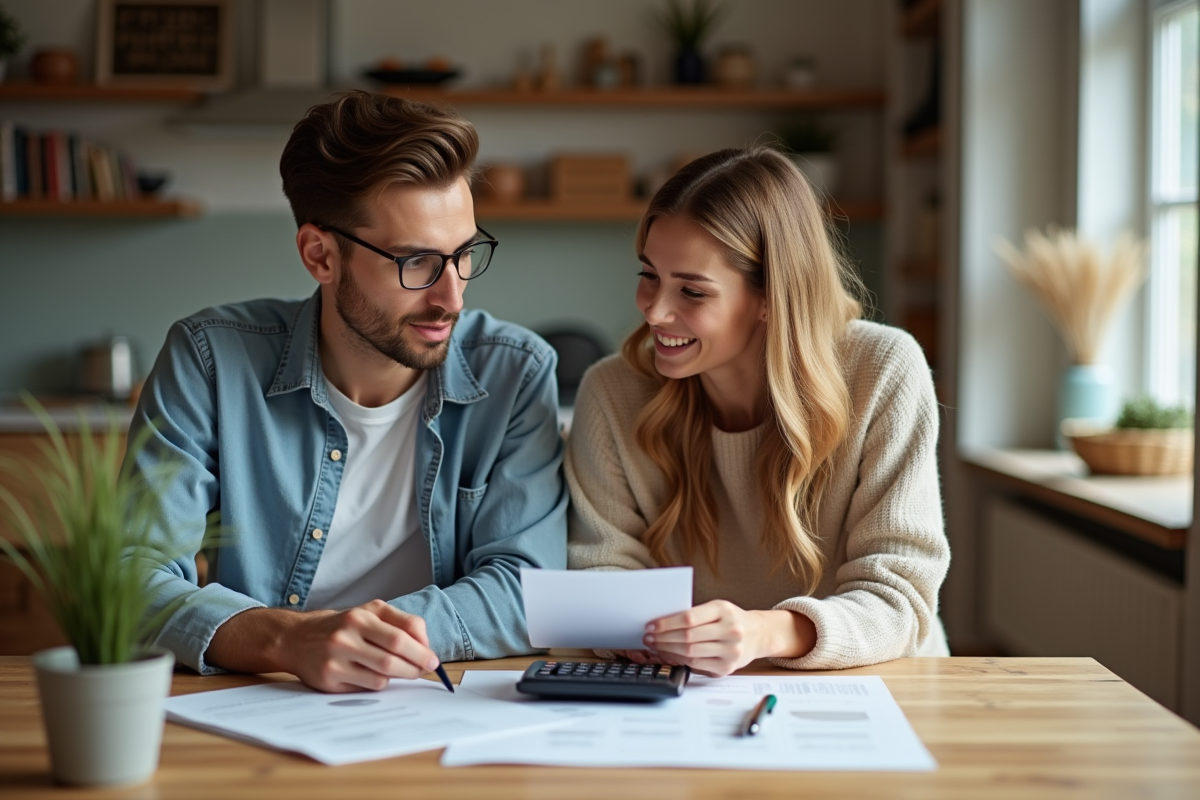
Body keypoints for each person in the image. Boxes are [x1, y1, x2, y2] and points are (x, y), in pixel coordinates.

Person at [128, 91, 567, 692]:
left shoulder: (515, 374)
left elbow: (527, 588)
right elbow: (132, 573)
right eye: (416, 263)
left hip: (441, 704)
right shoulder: (210, 359)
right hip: (260, 701)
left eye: (464, 255)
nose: (452, 297)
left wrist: (368, 640)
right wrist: (286, 639)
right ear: (320, 254)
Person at [566, 147, 950, 677]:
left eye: (692, 291)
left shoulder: (882, 369)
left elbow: (900, 599)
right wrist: (633, 633)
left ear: (771, 297)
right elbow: (599, 566)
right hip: (688, 690)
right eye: (649, 275)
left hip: (872, 684)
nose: (654, 310)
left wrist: (761, 632)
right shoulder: (612, 391)